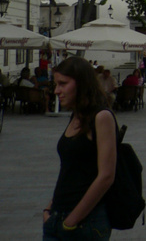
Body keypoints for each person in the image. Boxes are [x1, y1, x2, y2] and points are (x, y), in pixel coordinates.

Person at [42, 56, 116, 240]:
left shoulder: (101, 117)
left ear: (81, 84)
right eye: (56, 84)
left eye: (63, 84)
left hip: (84, 222)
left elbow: (106, 176)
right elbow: (70, 169)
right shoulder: (76, 115)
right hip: (58, 215)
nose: (57, 90)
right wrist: (49, 208)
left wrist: (71, 221)